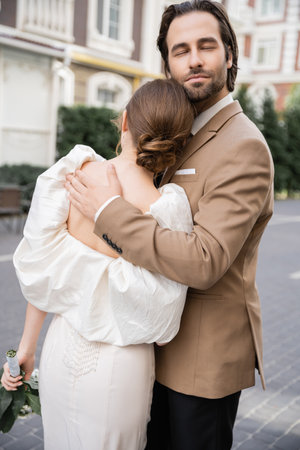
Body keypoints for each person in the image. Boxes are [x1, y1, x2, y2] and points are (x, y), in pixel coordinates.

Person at [65, 1, 274, 449]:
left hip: (201, 362)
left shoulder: (244, 146)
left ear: (229, 55)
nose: (194, 59)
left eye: (206, 46)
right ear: (167, 63)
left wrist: (107, 212)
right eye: (180, 50)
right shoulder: (176, 132)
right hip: (146, 344)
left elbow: (204, 260)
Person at [1, 79, 196, 450]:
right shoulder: (167, 207)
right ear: (178, 143)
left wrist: (27, 348)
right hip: (122, 364)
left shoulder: (75, 174)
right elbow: (164, 315)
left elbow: (47, 273)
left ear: (124, 122)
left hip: (60, 346)